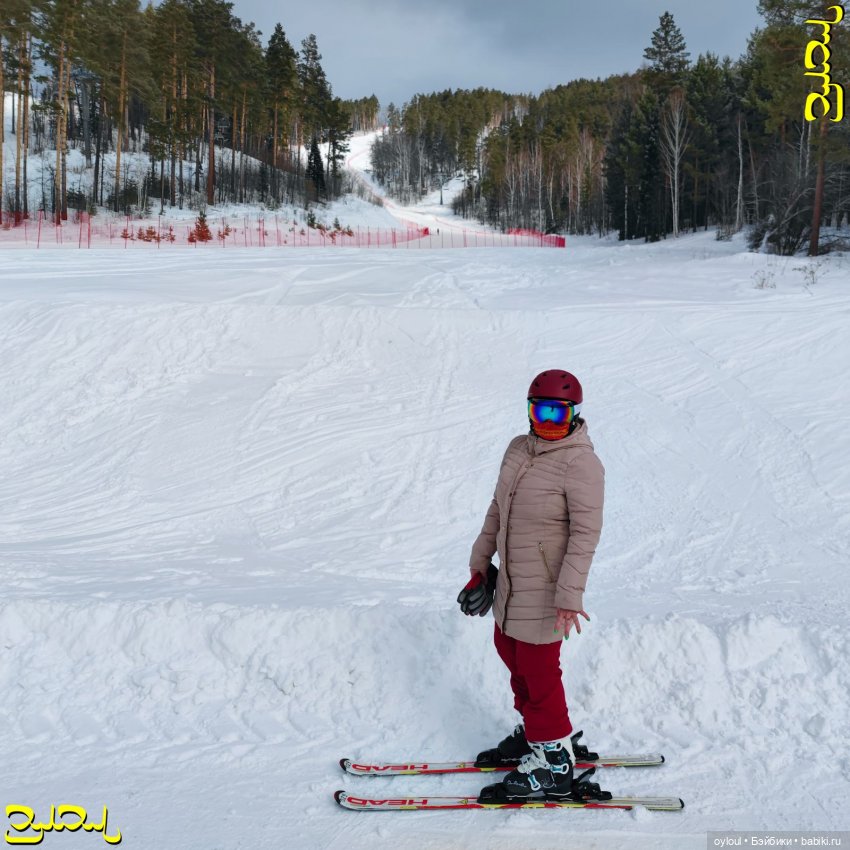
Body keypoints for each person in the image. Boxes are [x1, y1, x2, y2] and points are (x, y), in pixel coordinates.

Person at [461, 369, 604, 800]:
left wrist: (568, 597)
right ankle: (537, 736)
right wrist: (480, 565)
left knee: (539, 673)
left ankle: (556, 762)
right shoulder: (518, 449)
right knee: (511, 654)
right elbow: (496, 508)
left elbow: (585, 534)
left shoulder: (582, 464)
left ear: (574, 416)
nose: (548, 422)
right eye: (540, 411)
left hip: (548, 589)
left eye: (558, 414)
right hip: (513, 584)